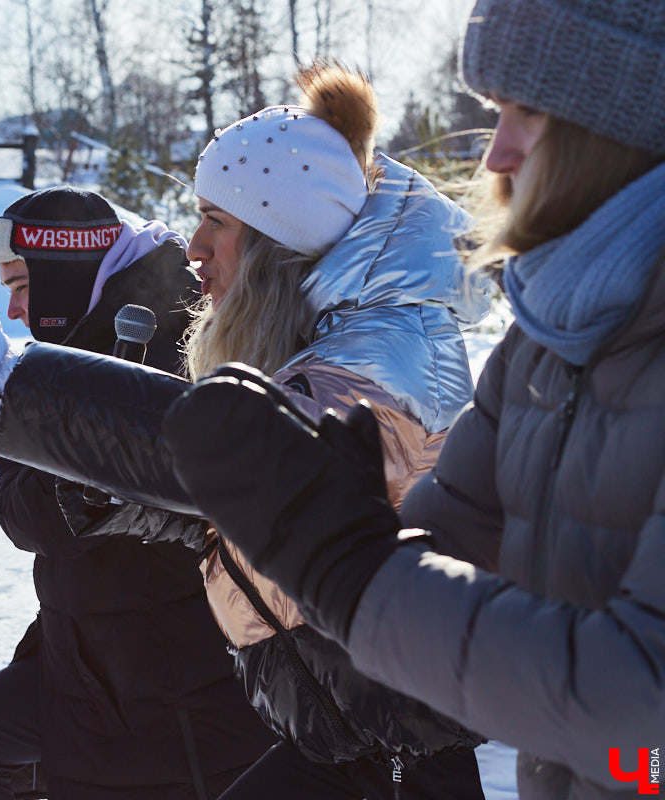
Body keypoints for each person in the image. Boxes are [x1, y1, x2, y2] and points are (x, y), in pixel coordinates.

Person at [156, 0, 665, 797]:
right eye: (494, 114)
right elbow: (447, 536)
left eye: (526, 114)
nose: (495, 151)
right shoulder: (551, 341)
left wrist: (351, 569)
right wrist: (342, 534)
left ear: (621, 125)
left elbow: (642, 709)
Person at [0, 64, 491, 798]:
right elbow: (242, 513)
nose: (193, 246)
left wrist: (31, 388)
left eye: (217, 221)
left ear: (281, 239)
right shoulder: (328, 345)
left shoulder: (364, 367)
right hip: (348, 730)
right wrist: (90, 488)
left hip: (400, 749)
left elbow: (231, 467)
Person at [0, 187, 275, 799]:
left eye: (22, 284)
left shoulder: (177, 338)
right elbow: (20, 512)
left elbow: (52, 519)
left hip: (174, 674)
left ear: (66, 267)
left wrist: (18, 399)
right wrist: (8, 397)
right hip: (95, 655)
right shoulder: (69, 353)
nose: (16, 310)